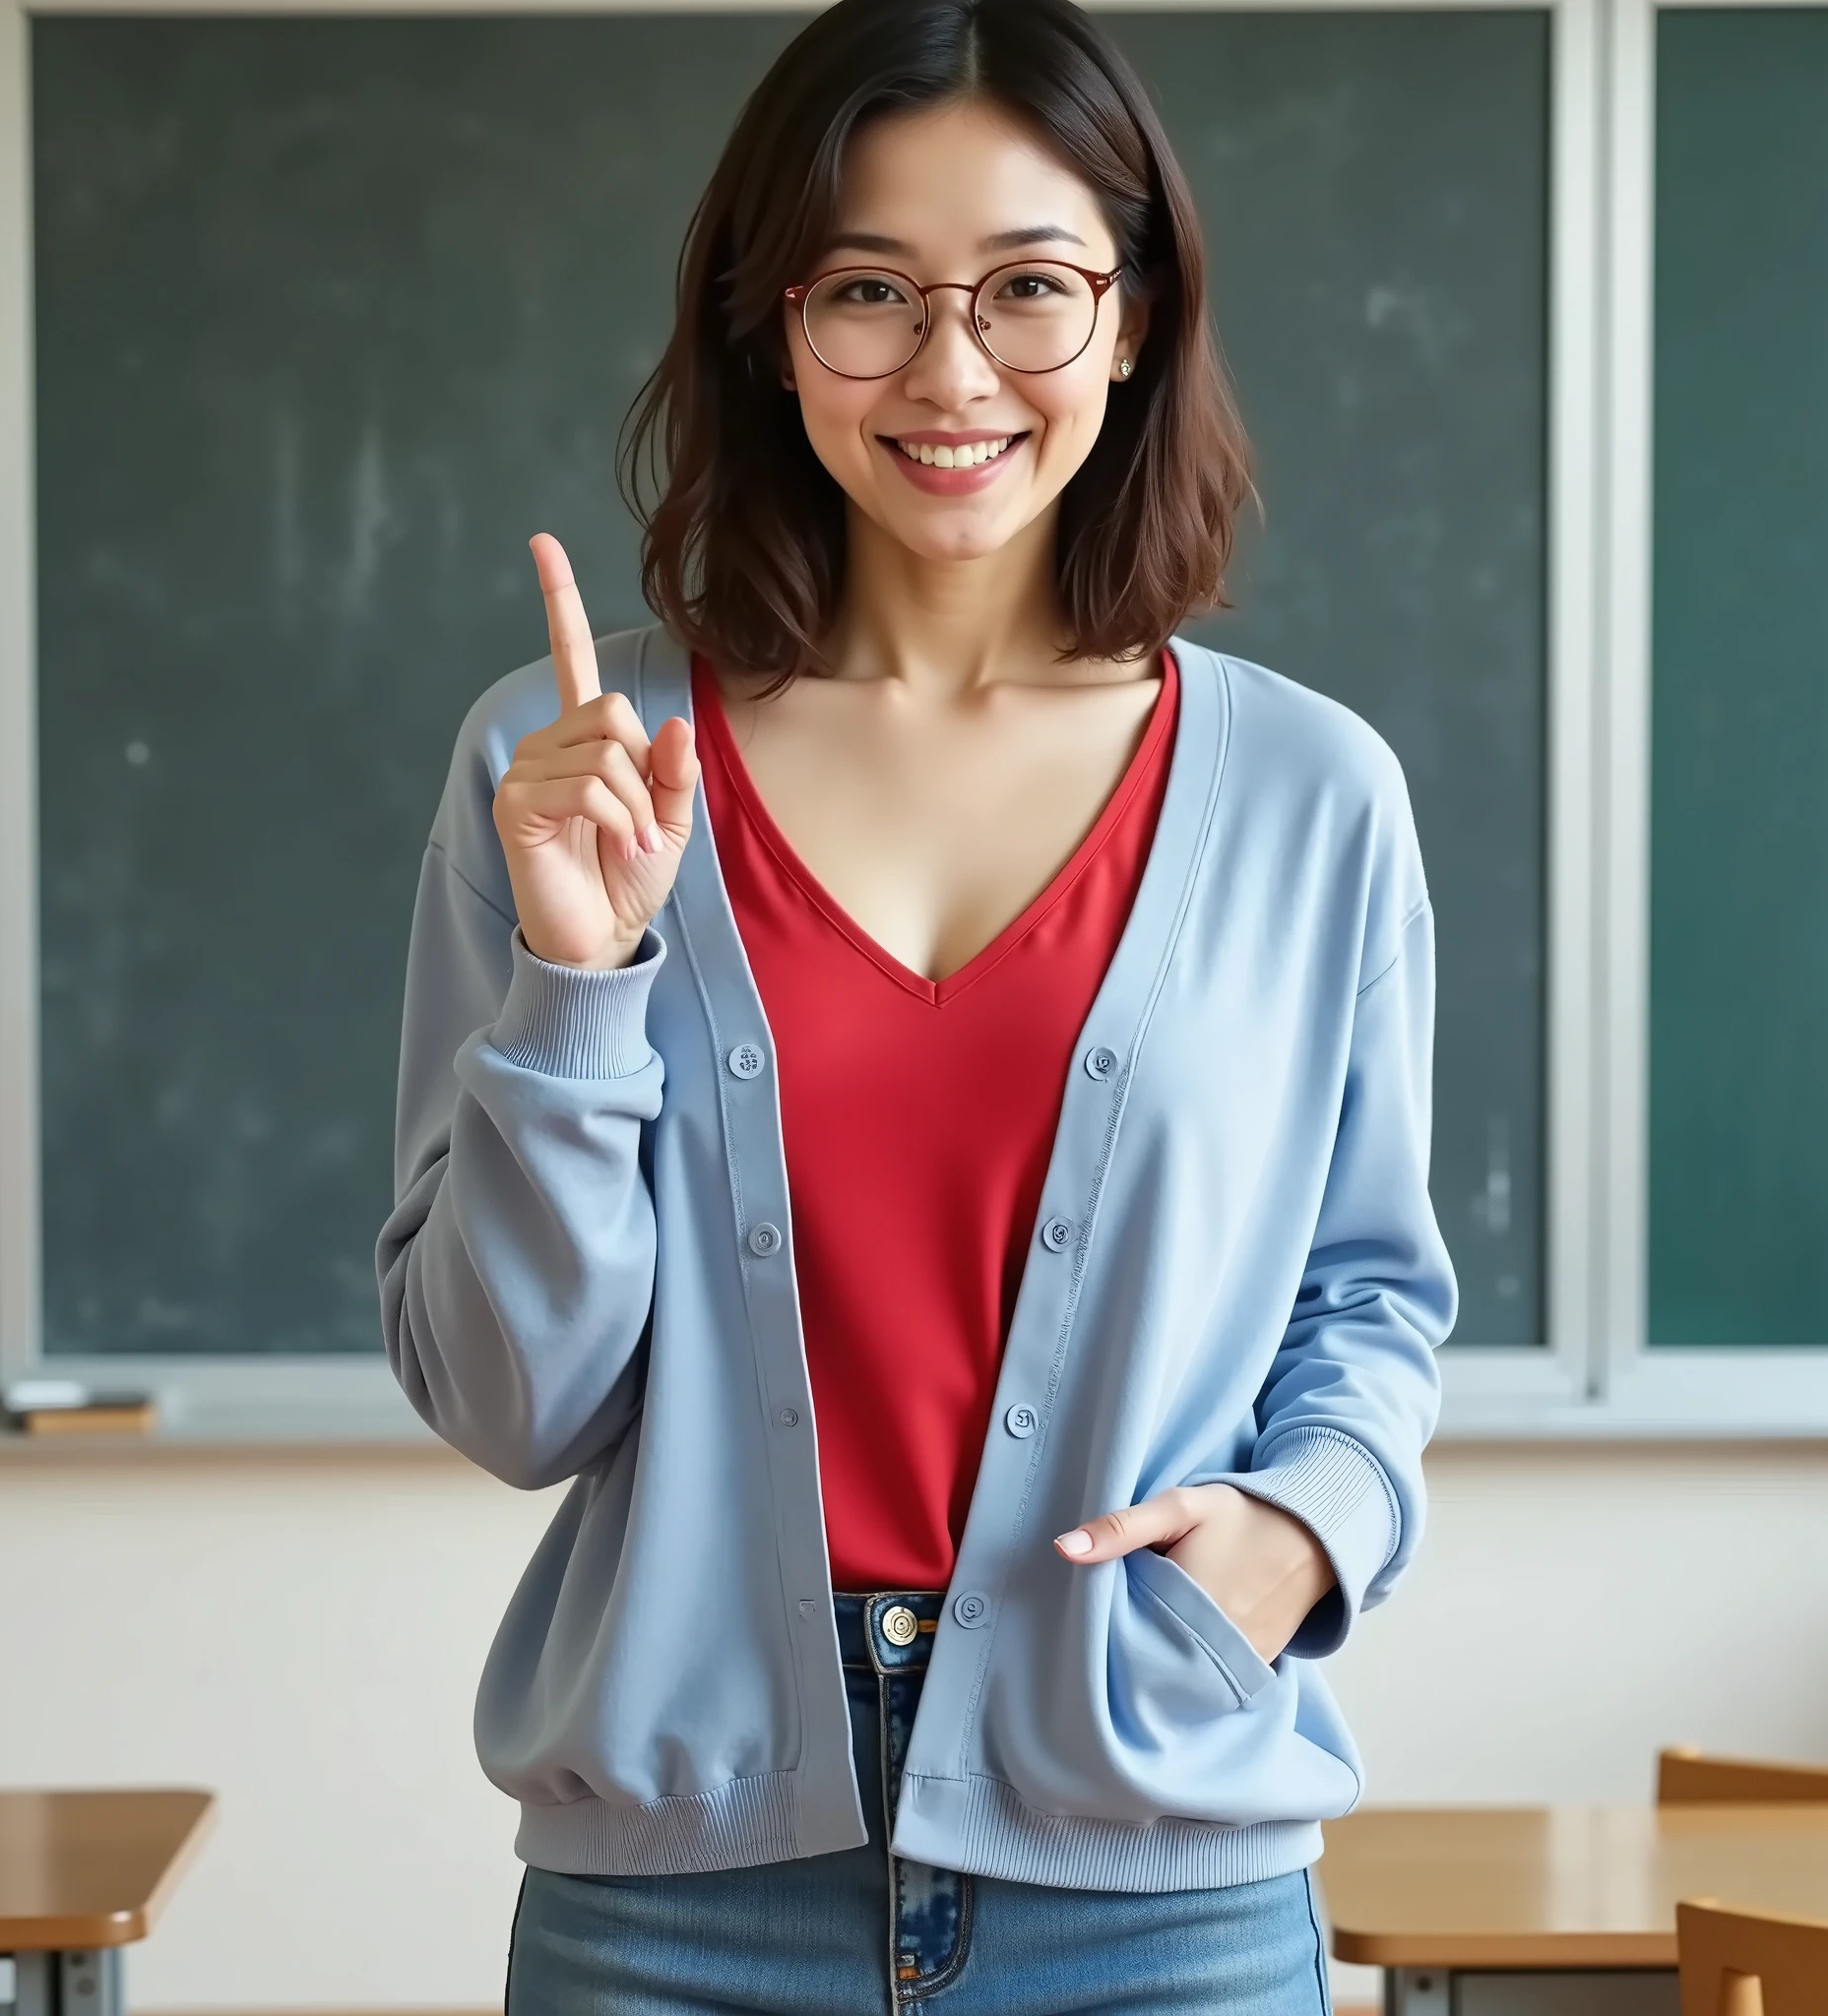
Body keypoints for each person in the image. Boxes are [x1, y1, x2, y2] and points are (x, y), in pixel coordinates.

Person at [377, 0, 1455, 2007]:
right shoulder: (566, 761)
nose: (949, 370)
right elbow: (511, 1399)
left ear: (1132, 317)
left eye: (1029, 287)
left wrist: (1291, 1539)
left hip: (1155, 1872)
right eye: (868, 288)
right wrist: (575, 978)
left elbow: (1369, 1297)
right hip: (678, 1898)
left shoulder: (1314, 795)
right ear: (767, 326)